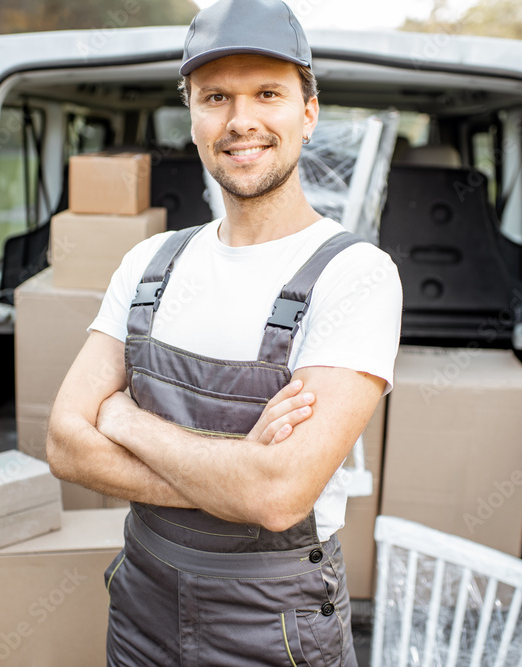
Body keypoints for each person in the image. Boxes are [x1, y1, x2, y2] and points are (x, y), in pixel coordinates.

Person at [46, 0, 402, 663]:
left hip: (274, 623)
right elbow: (66, 444)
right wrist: (238, 470)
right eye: (215, 97)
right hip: (141, 605)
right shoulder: (148, 263)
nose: (241, 120)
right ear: (192, 114)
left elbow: (276, 495)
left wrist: (124, 421)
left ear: (308, 110)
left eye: (267, 92)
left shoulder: (355, 276)